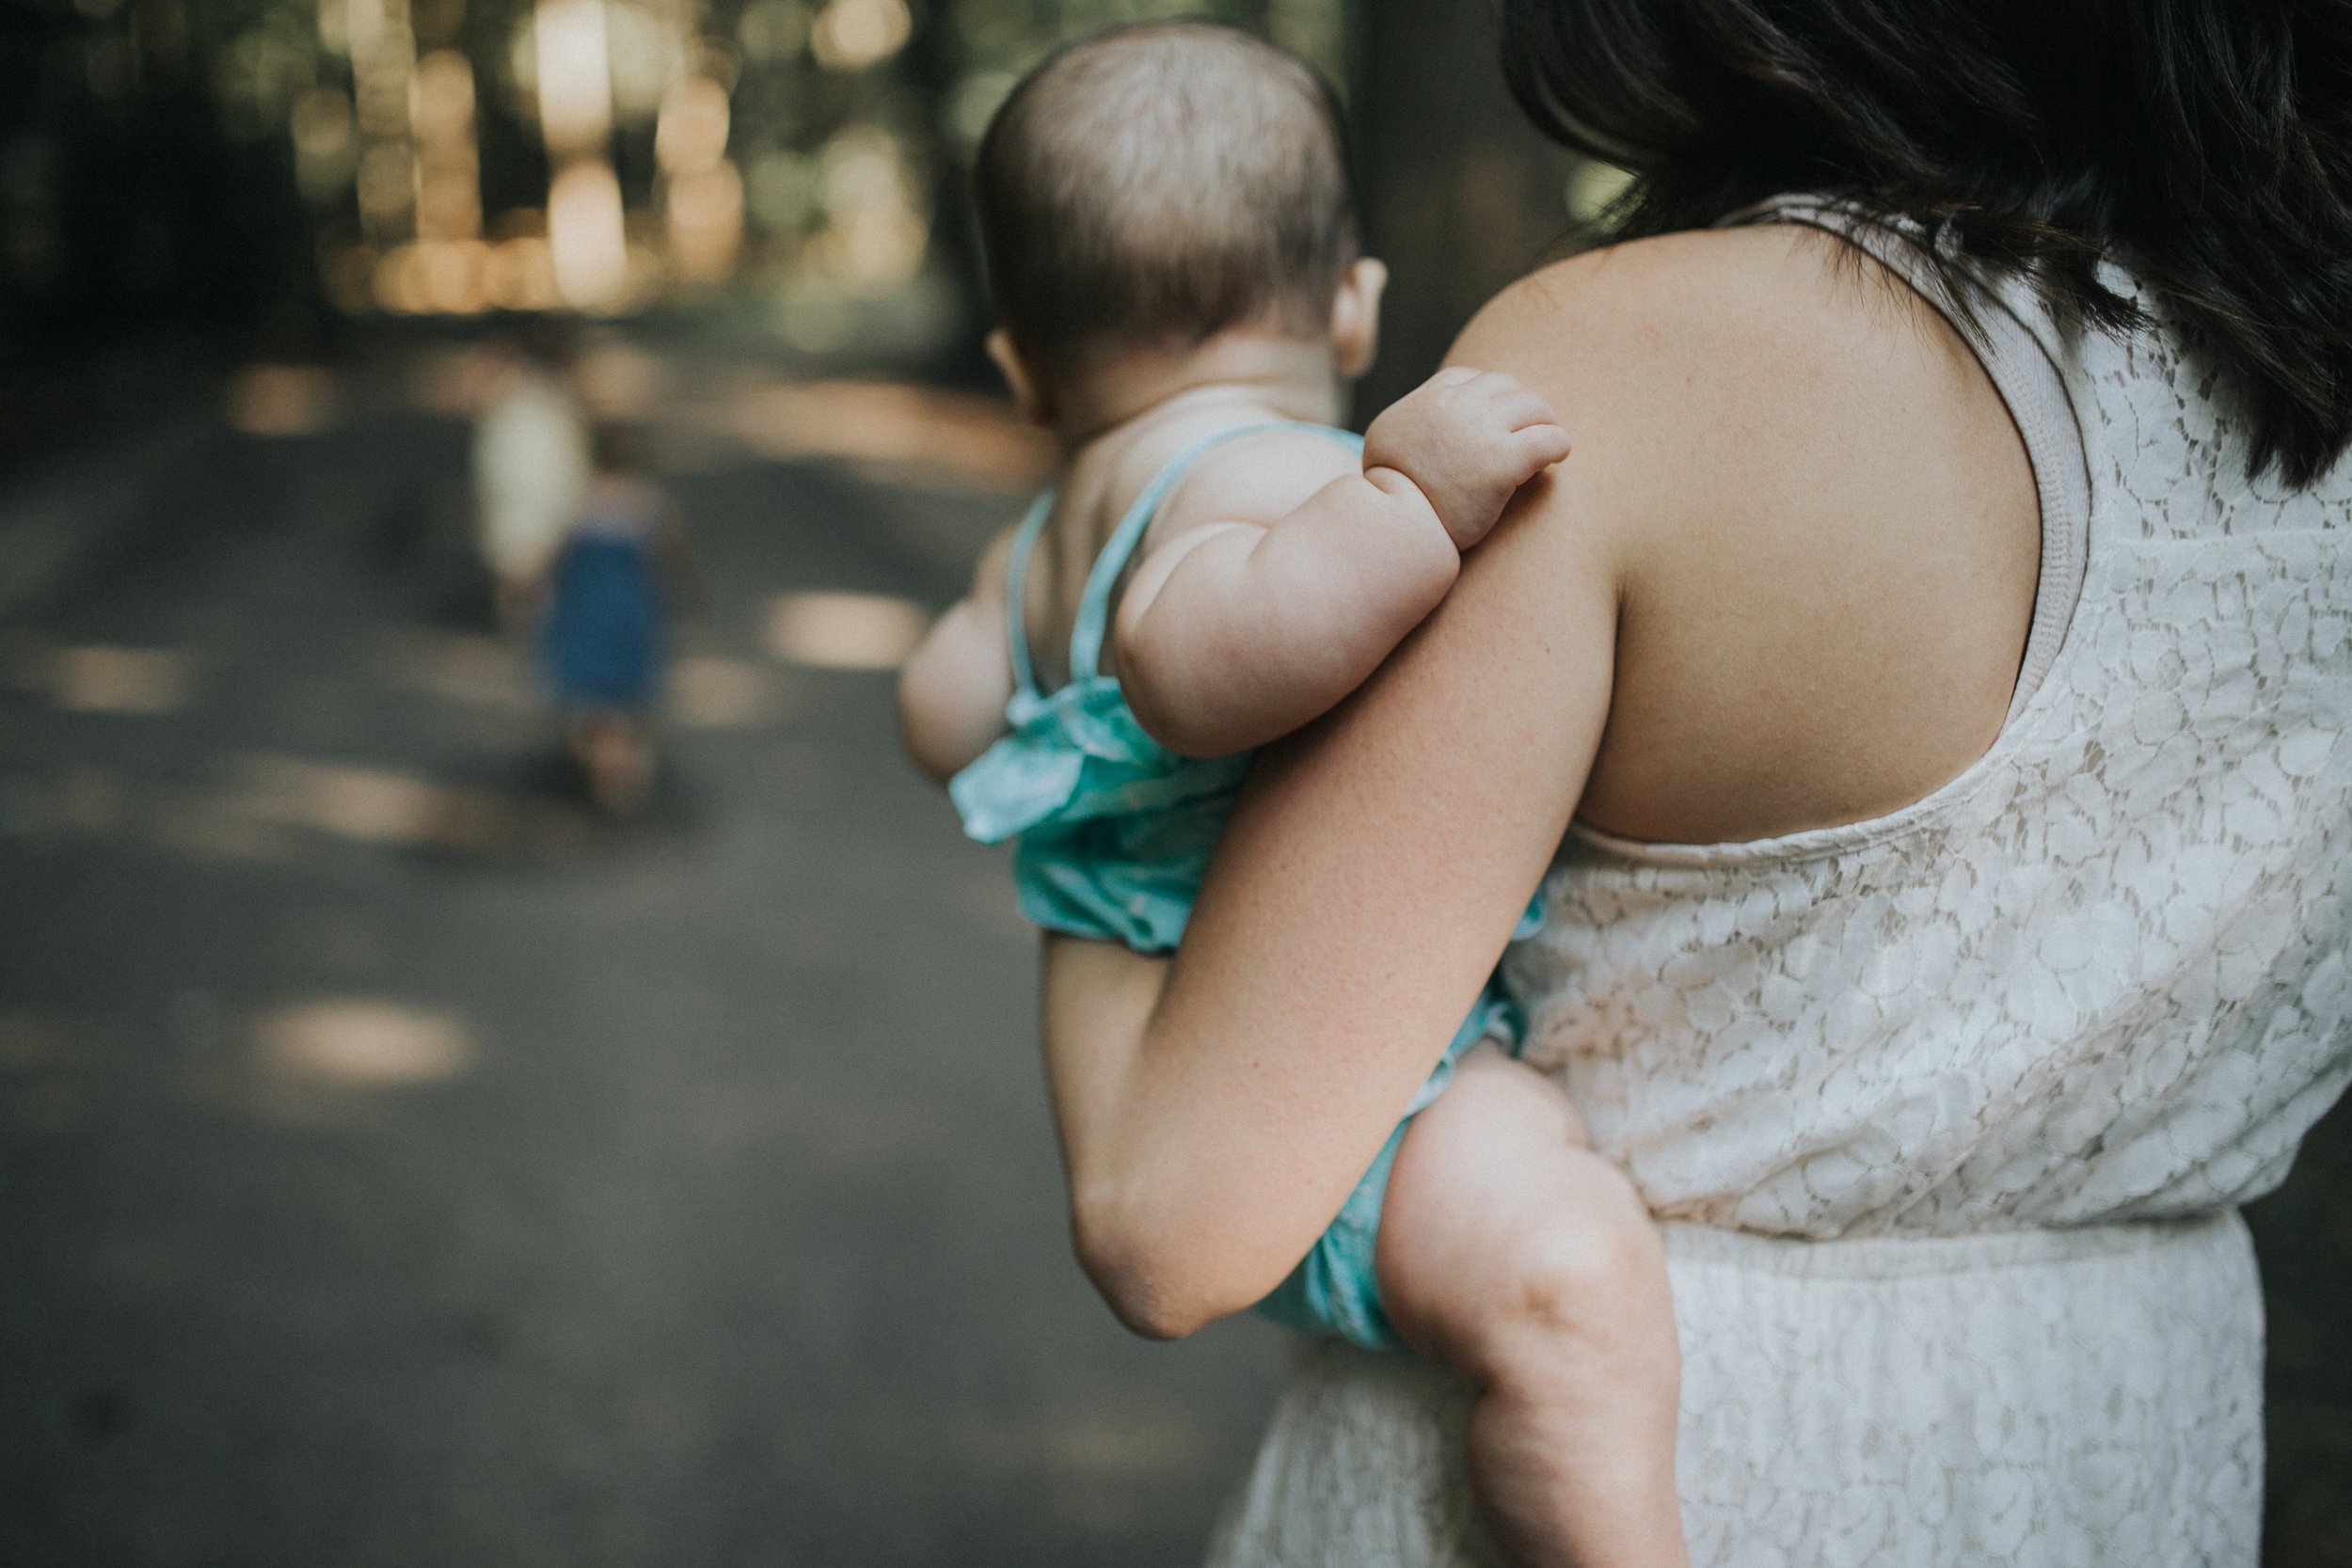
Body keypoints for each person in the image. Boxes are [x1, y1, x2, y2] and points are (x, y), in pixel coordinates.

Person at [1035, 2, 2352, 1565]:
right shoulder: (2309, 393)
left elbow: (1174, 1215)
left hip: (1634, 1465)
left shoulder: (1632, 370)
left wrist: (1062, 794)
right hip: (2125, 1454)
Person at [897, 25, 1679, 1566]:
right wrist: (1402, 504)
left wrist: (1016, 634)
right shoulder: (1252, 477)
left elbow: (941, 714)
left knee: (1563, 1250)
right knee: (1575, 1286)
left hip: (1173, 1027)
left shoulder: (1044, 533)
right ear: (1352, 299)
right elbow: (1200, 660)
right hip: (1329, 1072)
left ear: (1021, 366)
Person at [537, 422, 681, 814]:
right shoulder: (647, 504)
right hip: (627, 609)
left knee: (593, 699)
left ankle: (600, 763)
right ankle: (620, 773)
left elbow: (557, 556)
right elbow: (666, 559)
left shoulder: (580, 501)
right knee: (624, 700)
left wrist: (543, 598)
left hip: (588, 607)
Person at [473, 325, 592, 632]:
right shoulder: (549, 398)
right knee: (530, 564)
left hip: (530, 492)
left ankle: (531, 631)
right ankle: (533, 630)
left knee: (526, 564)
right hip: (531, 492)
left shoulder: (523, 397)